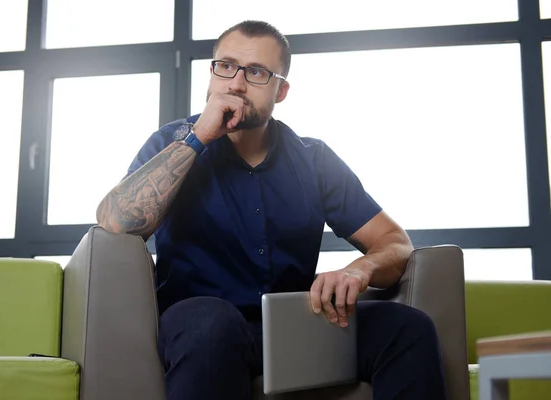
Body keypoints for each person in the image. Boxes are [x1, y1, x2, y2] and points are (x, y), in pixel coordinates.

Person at [96, 20, 447, 400]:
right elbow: (115, 223)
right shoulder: (173, 143)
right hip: (200, 325)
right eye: (226, 66)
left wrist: (358, 270)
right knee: (212, 322)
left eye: (257, 72)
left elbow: (395, 244)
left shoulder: (315, 160)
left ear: (281, 91)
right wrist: (199, 139)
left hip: (297, 323)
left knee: (408, 328)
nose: (236, 83)